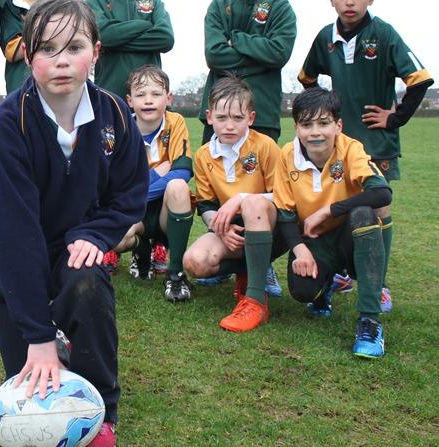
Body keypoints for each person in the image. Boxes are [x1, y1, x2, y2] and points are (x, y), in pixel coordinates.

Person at [0, 0, 147, 447]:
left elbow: (131, 193)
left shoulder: (115, 114)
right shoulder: (8, 126)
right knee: (35, 387)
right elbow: (14, 237)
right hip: (10, 264)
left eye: (74, 47)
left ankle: (104, 415)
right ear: (28, 58)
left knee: (87, 281)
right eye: (47, 50)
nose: (62, 61)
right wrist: (37, 337)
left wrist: (96, 234)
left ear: (96, 51)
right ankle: (54, 343)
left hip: (74, 251)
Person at [298, 0, 433, 312]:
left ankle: (380, 283)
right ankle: (340, 271)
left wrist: (396, 117)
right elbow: (306, 78)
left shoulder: (384, 34)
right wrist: (326, 111)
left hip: (374, 141)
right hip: (336, 144)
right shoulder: (326, 37)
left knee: (378, 204)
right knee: (337, 204)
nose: (350, 2)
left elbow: (419, 79)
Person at [274, 88, 392, 359]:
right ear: (297, 128)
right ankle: (325, 287)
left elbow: (383, 192)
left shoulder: (351, 148)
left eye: (323, 123)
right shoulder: (287, 154)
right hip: (316, 241)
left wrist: (328, 210)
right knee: (302, 291)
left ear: (338, 126)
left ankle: (369, 320)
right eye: (307, 124)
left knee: (364, 211)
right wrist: (300, 250)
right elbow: (284, 211)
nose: (315, 132)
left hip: (351, 236)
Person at [184, 76, 287, 332]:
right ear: (209, 117)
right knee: (195, 262)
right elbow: (206, 204)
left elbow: (285, 197)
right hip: (229, 227)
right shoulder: (203, 154)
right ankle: (246, 272)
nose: (229, 126)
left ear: (250, 118)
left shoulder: (266, 146)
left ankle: (255, 300)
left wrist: (241, 199)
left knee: (252, 205)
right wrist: (221, 228)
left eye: (238, 118)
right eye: (222, 118)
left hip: (268, 223)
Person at [104, 65, 194, 303]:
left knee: (178, 187)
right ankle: (142, 250)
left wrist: (142, 185)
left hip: (162, 209)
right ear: (129, 101)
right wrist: (160, 173)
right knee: (116, 238)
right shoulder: (120, 127)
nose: (148, 100)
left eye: (156, 94)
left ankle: (176, 275)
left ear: (168, 97)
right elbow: (112, 182)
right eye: (141, 94)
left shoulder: (175, 122)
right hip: (135, 211)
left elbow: (183, 171)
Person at [200, 0, 296, 144]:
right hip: (219, 114)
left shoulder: (280, 7)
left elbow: (278, 53)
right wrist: (262, 59)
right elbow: (214, 56)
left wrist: (236, 39)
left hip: (262, 114)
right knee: (215, 176)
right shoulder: (218, 6)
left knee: (260, 177)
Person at [85, 0, 174, 100]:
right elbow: (104, 36)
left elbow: (166, 39)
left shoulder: (154, 3)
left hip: (148, 99)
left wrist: (117, 41)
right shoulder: (93, 3)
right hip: (108, 96)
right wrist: (144, 25)